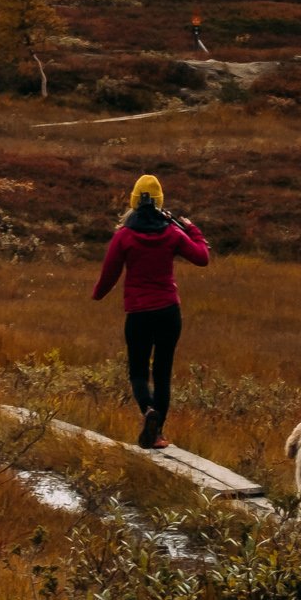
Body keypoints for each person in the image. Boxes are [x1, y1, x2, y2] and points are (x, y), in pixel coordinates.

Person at [92, 175, 210, 448]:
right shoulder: (172, 232)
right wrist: (193, 230)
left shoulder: (124, 236)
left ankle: (148, 411)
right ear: (159, 201)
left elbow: (109, 274)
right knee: (162, 373)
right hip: (169, 312)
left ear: (134, 200)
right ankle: (157, 435)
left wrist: (97, 295)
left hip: (138, 315)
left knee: (137, 371)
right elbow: (202, 257)